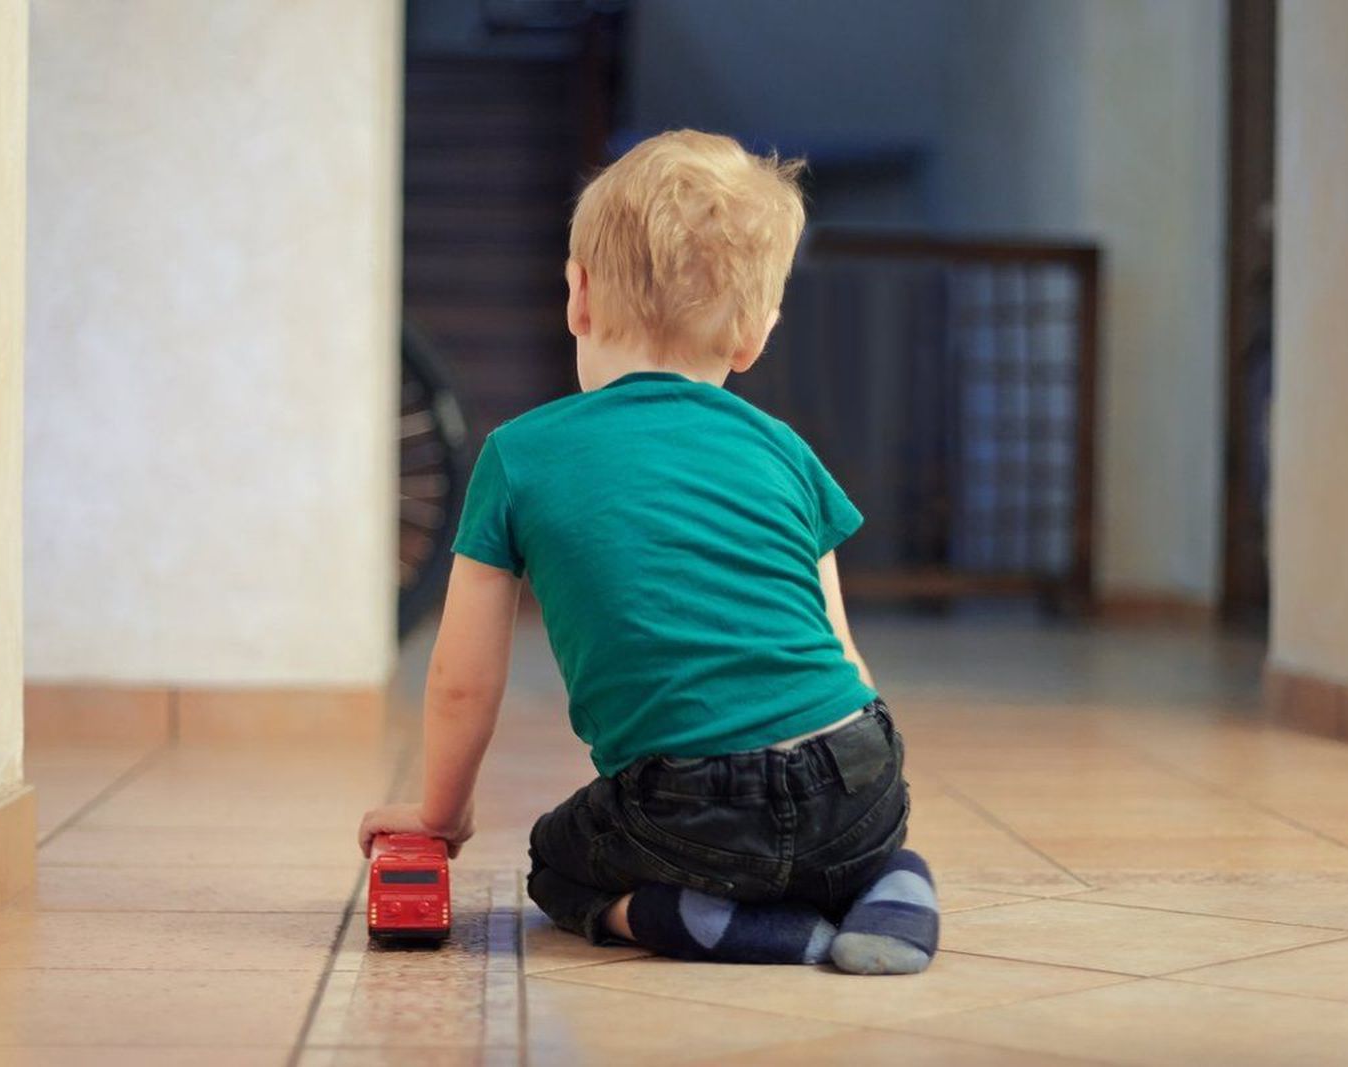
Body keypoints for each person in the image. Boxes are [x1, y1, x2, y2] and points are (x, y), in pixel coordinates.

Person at [358, 130, 938, 974]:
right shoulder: (785, 452)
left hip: (687, 807)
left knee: (559, 860)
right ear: (754, 334)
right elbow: (840, 651)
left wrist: (440, 815)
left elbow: (462, 678)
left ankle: (709, 919)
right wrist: (848, 794)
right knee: (857, 844)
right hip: (857, 776)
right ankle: (889, 883)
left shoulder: (520, 456)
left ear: (578, 297)